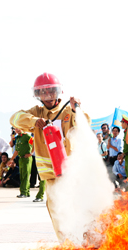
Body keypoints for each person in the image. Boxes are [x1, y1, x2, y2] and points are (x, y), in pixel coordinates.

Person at [9, 72, 89, 241]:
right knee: (55, 208)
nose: (48, 96)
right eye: (43, 92)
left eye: (51, 91)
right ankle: (66, 244)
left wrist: (78, 109)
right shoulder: (37, 112)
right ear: (37, 95)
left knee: (77, 206)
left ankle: (84, 239)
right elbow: (14, 118)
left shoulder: (69, 110)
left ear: (58, 92)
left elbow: (85, 124)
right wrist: (33, 121)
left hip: (71, 171)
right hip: (50, 174)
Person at [8, 128, 33, 198]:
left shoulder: (27, 136)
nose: (17, 129)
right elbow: (17, 150)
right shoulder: (17, 138)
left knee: (25, 175)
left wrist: (31, 153)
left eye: (19, 128)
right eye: (16, 128)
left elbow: (34, 143)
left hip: (26, 158)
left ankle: (24, 192)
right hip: (20, 158)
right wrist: (11, 159)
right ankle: (26, 192)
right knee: (22, 176)